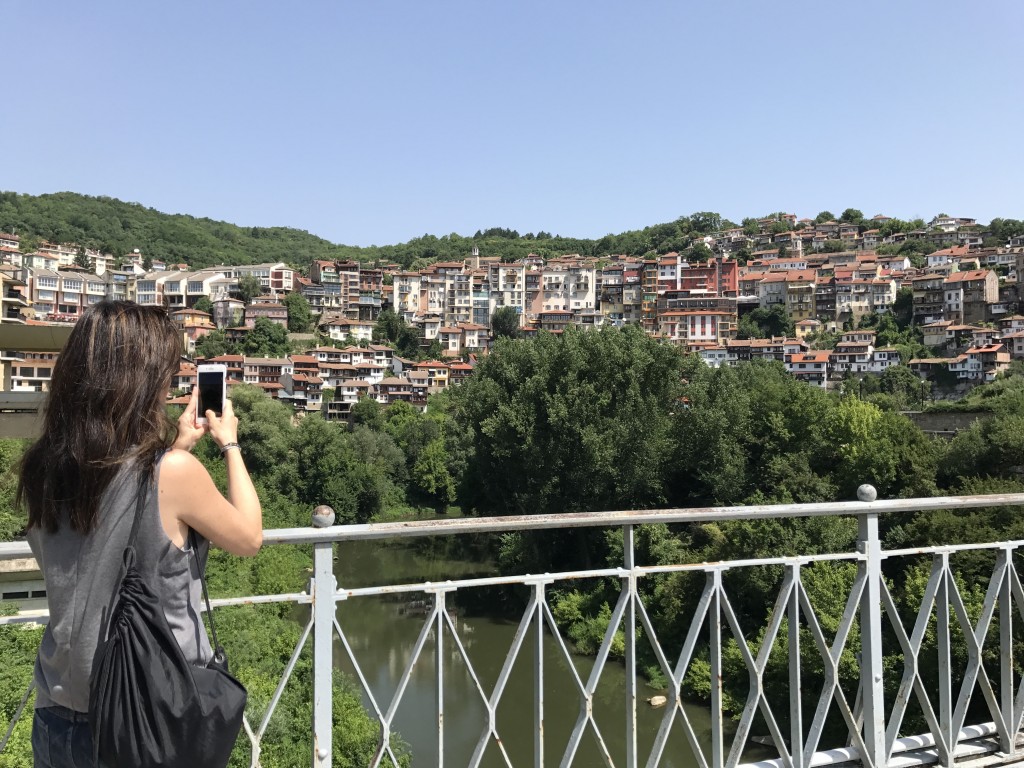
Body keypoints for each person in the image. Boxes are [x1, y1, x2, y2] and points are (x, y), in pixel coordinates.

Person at [17, 300, 263, 768]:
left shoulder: (45, 470)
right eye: (166, 376)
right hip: (142, 717)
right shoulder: (171, 473)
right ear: (141, 382)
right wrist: (229, 444)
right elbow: (249, 537)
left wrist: (175, 448)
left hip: (56, 714)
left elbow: (108, 527)